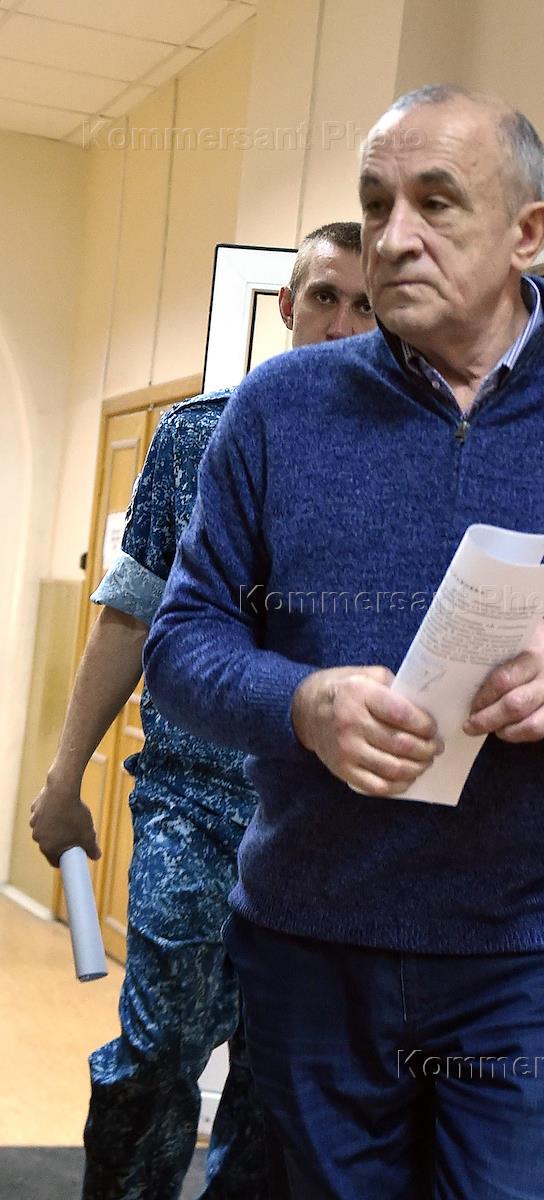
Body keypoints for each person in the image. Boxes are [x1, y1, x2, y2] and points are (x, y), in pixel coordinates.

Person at [143, 85, 544, 1200]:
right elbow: (181, 645)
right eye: (374, 203)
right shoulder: (276, 411)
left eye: (435, 203)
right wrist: (301, 704)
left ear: (529, 232)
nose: (392, 237)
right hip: (313, 941)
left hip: (535, 959)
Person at [30, 221, 374, 1200]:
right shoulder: (196, 438)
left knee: (280, 1082)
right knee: (159, 1049)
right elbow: (129, 613)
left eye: (366, 306)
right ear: (287, 306)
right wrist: (65, 777)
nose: (341, 324)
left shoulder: (405, 461)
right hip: (194, 801)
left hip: (325, 823)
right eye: (324, 297)